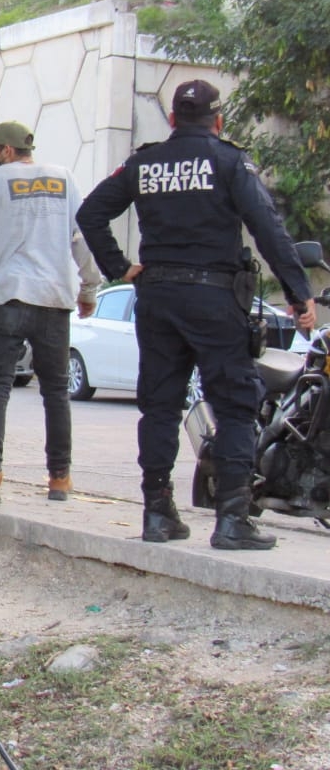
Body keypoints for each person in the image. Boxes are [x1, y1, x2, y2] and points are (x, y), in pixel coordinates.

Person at [76, 79, 316, 550]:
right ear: (218, 119)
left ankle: (158, 514)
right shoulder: (228, 161)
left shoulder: (144, 162)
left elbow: (90, 214)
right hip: (214, 298)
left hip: (158, 297)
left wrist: (120, 268)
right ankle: (231, 520)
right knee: (232, 405)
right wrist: (298, 292)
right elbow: (268, 228)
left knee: (160, 407)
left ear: (172, 120)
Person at [0, 121, 103, 505]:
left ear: (8, 151)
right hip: (53, 299)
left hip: (8, 297)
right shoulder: (64, 180)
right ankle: (60, 478)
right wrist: (89, 288)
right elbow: (82, 237)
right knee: (56, 392)